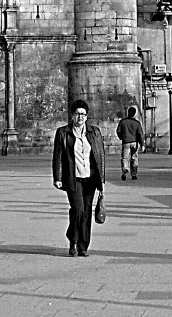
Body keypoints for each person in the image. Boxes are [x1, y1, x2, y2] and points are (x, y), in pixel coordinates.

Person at [52, 99, 106, 257]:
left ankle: (83, 245)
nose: (80, 117)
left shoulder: (94, 132)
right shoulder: (63, 133)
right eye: (77, 114)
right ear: (72, 116)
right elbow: (58, 156)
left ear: (87, 116)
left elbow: (100, 156)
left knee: (87, 212)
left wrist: (102, 180)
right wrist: (57, 176)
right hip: (72, 177)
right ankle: (73, 240)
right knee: (78, 210)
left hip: (90, 178)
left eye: (83, 114)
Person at [115, 106, 145, 181]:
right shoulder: (137, 123)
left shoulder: (123, 122)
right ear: (135, 114)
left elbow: (118, 131)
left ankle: (125, 170)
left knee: (125, 157)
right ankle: (134, 174)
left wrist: (122, 137)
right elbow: (140, 134)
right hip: (135, 142)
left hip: (126, 141)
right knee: (134, 158)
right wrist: (142, 144)